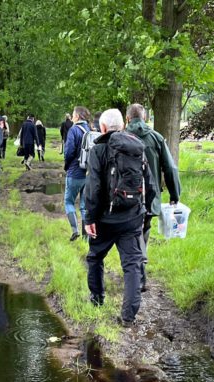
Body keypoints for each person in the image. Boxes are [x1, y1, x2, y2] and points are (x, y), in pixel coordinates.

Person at [83, 108, 156, 327]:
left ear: (102, 128)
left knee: (95, 257)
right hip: (132, 217)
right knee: (132, 265)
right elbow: (149, 183)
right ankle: (128, 316)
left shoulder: (98, 149)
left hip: (105, 219)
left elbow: (93, 188)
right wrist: (145, 213)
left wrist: (89, 219)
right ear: (122, 126)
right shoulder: (136, 148)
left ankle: (97, 299)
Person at [125, 103, 181, 292]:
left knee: (131, 233)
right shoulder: (156, 138)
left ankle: (138, 271)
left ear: (127, 119)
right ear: (146, 118)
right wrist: (175, 195)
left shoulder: (119, 138)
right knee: (143, 229)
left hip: (123, 196)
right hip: (150, 196)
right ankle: (141, 263)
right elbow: (171, 168)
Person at [63, 106, 92, 242]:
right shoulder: (90, 131)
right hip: (88, 173)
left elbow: (68, 152)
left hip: (75, 172)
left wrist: (67, 165)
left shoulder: (73, 130)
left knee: (68, 201)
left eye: (74, 114)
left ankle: (75, 230)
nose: (72, 117)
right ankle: (86, 237)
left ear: (78, 116)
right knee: (84, 206)